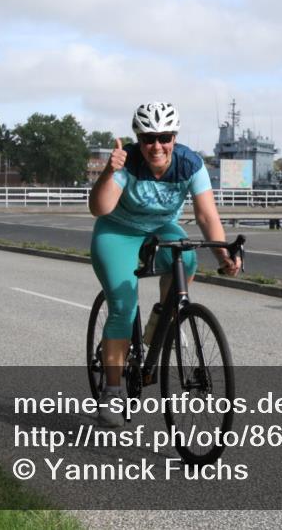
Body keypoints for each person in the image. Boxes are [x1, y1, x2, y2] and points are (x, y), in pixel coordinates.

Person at [88, 102, 240, 427]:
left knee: (188, 256)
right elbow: (100, 209)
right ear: (139, 139)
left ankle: (161, 323)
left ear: (174, 137)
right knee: (123, 307)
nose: (156, 145)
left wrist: (224, 257)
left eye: (164, 137)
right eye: (148, 139)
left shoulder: (189, 164)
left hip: (160, 228)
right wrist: (109, 171)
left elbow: (206, 215)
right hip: (118, 230)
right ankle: (112, 390)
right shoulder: (127, 163)